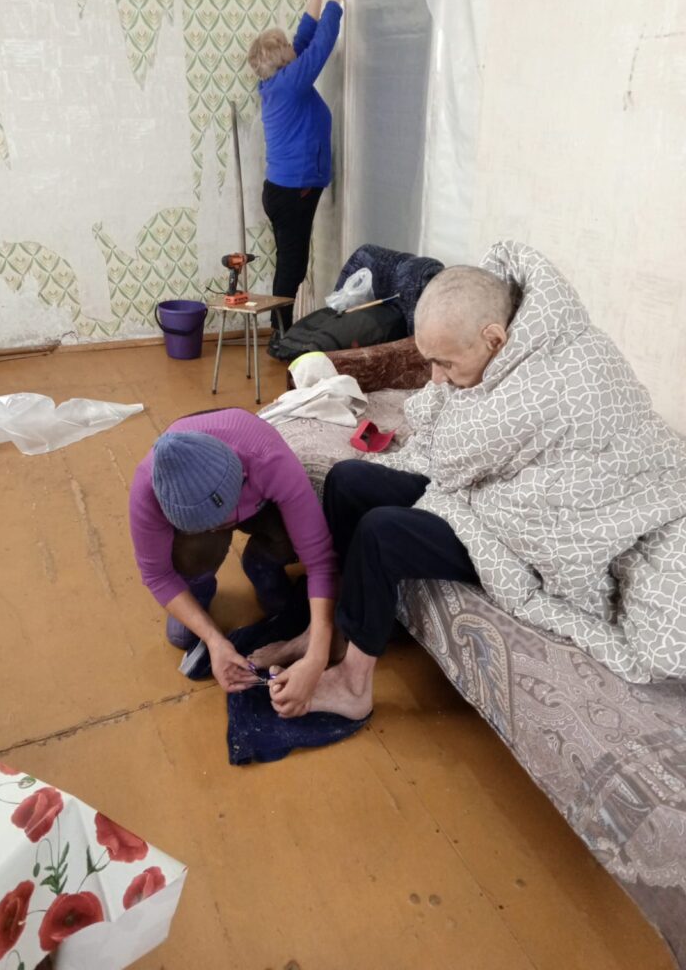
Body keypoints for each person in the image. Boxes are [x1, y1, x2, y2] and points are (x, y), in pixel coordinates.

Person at [257, 240, 686, 717]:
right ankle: (332, 630)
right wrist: (446, 388)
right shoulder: (506, 346)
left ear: (494, 339)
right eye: (430, 361)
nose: (436, 378)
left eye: (444, 363)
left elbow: (456, 456)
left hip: (529, 529)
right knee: (348, 480)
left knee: (382, 533)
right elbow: (442, 423)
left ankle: (354, 685)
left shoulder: (560, 372)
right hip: (485, 490)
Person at [129, 407, 338, 711]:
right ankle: (199, 584)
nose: (219, 530)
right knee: (181, 635)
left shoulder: (267, 459)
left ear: (241, 478)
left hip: (258, 498)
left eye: (220, 521)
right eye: (208, 526)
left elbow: (319, 559)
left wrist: (316, 657)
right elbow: (156, 575)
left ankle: (262, 562)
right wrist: (215, 641)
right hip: (210, 511)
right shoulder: (147, 489)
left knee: (294, 540)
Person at [247, 0, 345, 335]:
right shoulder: (290, 84)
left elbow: (305, 39)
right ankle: (281, 337)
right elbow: (319, 46)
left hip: (284, 190)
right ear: (282, 60)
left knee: (290, 266)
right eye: (286, 45)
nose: (293, 45)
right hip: (292, 193)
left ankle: (281, 331)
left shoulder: (279, 81)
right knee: (292, 268)